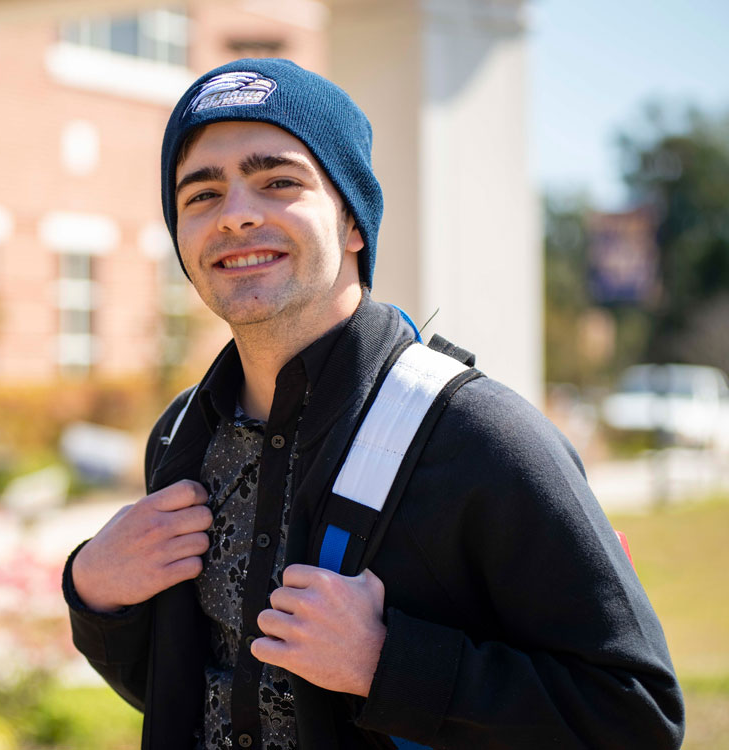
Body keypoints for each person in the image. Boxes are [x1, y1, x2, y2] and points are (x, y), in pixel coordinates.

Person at [62, 58, 684, 750]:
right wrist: (94, 593)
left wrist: (388, 666)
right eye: (201, 195)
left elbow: (638, 718)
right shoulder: (181, 436)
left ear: (354, 221)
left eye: (277, 182)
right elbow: (198, 694)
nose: (236, 214)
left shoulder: (480, 439)